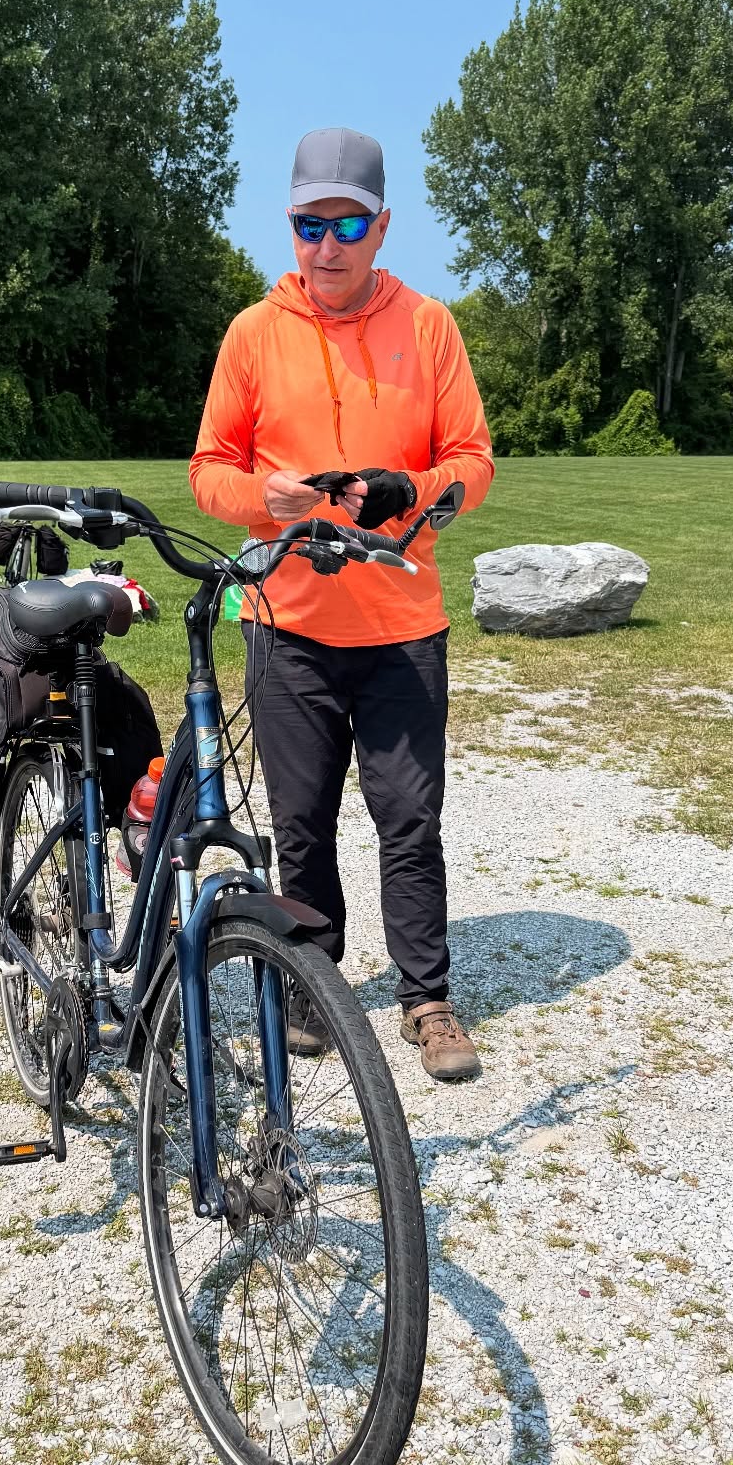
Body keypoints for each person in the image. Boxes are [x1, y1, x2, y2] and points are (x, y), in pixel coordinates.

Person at [190, 127, 495, 1082]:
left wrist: (414, 488)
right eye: (306, 225)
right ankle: (316, 990)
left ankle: (427, 1000)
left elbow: (475, 463)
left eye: (347, 224)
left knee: (409, 819)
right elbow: (208, 472)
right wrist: (262, 499)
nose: (326, 246)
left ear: (382, 225)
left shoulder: (429, 326)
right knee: (303, 820)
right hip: (287, 625)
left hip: (402, 627)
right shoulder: (253, 332)